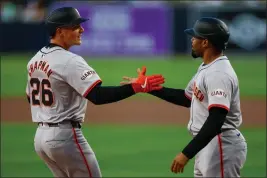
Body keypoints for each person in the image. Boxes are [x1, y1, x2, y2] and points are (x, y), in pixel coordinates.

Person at [25, 7, 164, 178]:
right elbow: (97, 96)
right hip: (64, 137)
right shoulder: (70, 61)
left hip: (40, 139)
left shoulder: (35, 60)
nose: (81, 30)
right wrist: (135, 87)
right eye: (75, 26)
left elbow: (29, 96)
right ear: (60, 31)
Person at [121, 17, 247, 177]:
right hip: (209, 144)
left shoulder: (219, 74)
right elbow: (186, 98)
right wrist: (148, 87)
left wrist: (186, 154)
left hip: (221, 143)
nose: (192, 40)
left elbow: (216, 120)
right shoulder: (207, 67)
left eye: (195, 37)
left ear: (205, 42)